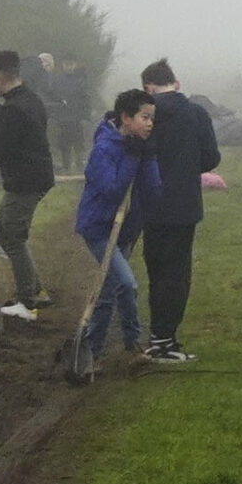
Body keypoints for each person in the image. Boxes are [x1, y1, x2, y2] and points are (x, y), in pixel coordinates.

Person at [140, 58, 224, 363]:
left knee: (156, 269)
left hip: (150, 203)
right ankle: (165, 341)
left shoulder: (146, 114)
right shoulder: (196, 113)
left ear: (148, 87)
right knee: (176, 274)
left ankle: (155, 335)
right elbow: (211, 158)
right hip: (184, 205)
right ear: (175, 82)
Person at [74, 90, 165, 363]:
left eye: (152, 118)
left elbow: (154, 192)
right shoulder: (105, 148)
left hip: (126, 229)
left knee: (108, 289)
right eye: (144, 117)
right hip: (99, 228)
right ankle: (132, 341)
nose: (150, 123)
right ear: (126, 118)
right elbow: (113, 190)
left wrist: (147, 158)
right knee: (126, 284)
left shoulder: (140, 147)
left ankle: (93, 349)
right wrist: (133, 157)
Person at [0, 50, 57, 318]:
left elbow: (0, 145)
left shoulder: (15, 108)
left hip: (27, 180)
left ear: (0, 76)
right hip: (28, 177)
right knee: (3, 231)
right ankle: (36, 290)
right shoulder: (28, 99)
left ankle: (28, 301)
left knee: (12, 235)